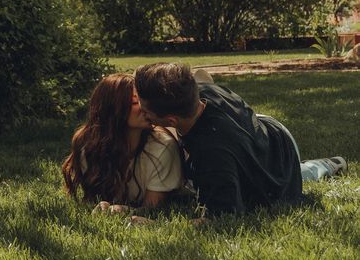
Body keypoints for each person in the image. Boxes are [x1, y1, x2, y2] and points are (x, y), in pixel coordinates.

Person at [134, 62, 347, 216]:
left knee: (288, 177)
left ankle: (324, 166)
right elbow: (202, 76)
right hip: (264, 130)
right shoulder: (198, 94)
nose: (141, 113)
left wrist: (153, 223)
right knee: (253, 161)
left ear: (171, 119)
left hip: (280, 152)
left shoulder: (212, 155)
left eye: (146, 111)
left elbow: (222, 215)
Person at [62, 73, 186, 212]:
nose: (145, 107)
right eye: (135, 103)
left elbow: (153, 208)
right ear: (113, 110)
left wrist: (124, 210)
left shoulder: (162, 147)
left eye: (144, 101)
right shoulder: (90, 148)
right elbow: (94, 199)